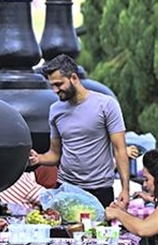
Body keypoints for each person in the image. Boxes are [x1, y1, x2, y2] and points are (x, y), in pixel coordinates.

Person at [29, 54, 130, 208]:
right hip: (66, 188)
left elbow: (120, 149)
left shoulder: (106, 105)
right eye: (52, 85)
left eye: (59, 84)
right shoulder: (55, 110)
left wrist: (125, 189)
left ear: (74, 78)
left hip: (99, 189)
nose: (55, 90)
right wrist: (39, 159)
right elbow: (55, 154)